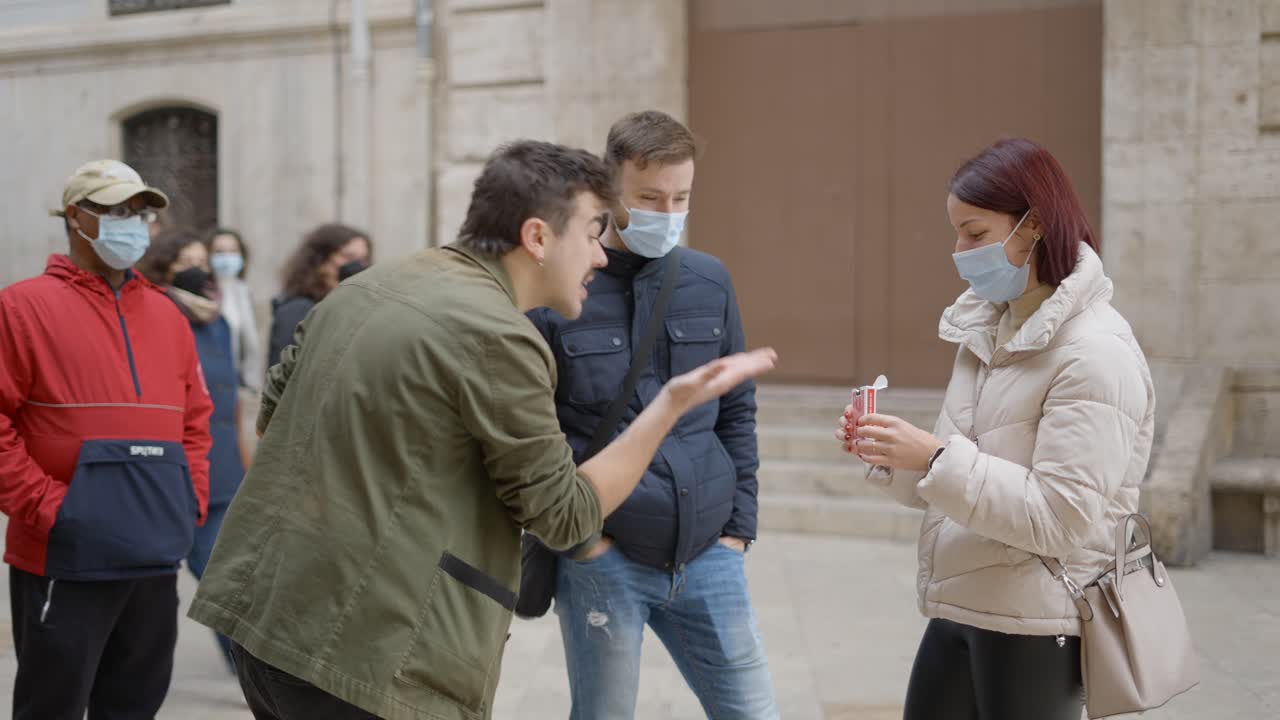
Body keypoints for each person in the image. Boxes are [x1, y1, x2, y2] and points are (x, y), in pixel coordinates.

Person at [186, 140, 777, 720]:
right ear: (539, 237)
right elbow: (566, 515)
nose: (601, 255)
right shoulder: (499, 335)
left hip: (266, 623)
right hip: (367, 658)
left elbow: (274, 418)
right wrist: (668, 407)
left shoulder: (369, 285)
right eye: (594, 231)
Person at [836, 138, 1155, 720]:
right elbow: (955, 485)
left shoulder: (1096, 354)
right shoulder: (987, 334)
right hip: (962, 603)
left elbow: (1061, 518)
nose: (959, 251)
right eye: (956, 233)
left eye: (976, 234)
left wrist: (933, 458)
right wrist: (894, 454)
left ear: (1032, 227)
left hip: (1039, 619)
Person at [528, 110, 778, 720]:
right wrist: (586, 542)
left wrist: (739, 529)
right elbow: (539, 431)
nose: (666, 212)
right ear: (611, 191)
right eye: (649, 197)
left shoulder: (709, 280)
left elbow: (736, 412)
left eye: (680, 197)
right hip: (605, 562)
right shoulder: (559, 291)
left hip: (711, 552)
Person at [0, 160, 213, 719]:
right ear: (77, 217)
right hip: (64, 555)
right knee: (54, 706)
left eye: (141, 214)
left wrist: (186, 500)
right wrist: (50, 508)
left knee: (135, 704)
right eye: (118, 211)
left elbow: (195, 418)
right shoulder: (21, 306)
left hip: (152, 554)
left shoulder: (167, 316)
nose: (134, 225)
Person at [140, 227, 247, 671]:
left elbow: (230, 395)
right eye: (187, 262)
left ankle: (247, 669)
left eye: (202, 262)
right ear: (164, 269)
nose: (200, 271)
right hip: (174, 468)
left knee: (226, 579)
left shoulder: (217, 320)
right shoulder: (158, 316)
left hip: (221, 465)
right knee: (203, 576)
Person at [267, 222, 372, 368]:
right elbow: (282, 372)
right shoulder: (298, 310)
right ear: (320, 261)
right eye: (348, 257)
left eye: (363, 259)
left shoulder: (353, 308)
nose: (357, 266)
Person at [208, 227, 264, 394]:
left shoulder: (243, 291)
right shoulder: (204, 292)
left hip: (238, 384)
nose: (227, 258)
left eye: (233, 251)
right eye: (219, 252)